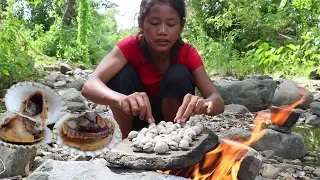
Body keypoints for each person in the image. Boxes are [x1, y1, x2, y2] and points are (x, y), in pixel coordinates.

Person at [81, 0, 224, 138]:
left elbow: (217, 100)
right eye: (155, 23)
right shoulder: (129, 47)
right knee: (122, 74)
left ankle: (172, 137)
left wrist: (204, 105)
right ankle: (126, 140)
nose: (162, 31)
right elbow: (89, 86)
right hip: (135, 122)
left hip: (172, 125)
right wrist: (122, 100)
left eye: (171, 24)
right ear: (141, 23)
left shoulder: (186, 53)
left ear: (181, 26)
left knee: (179, 74)